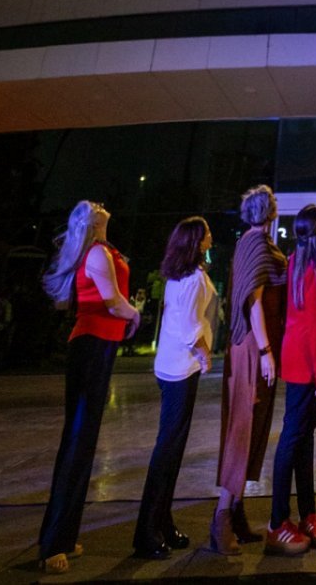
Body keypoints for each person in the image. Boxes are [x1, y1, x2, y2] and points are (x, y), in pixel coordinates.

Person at [37, 201, 140, 574]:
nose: (101, 205)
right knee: (77, 443)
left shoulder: (104, 250)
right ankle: (51, 544)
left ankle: (63, 536)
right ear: (89, 221)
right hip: (92, 345)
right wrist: (136, 313)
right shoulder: (97, 252)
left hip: (100, 345)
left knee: (84, 443)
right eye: (93, 206)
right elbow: (112, 300)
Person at [132, 217, 216, 559]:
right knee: (167, 451)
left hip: (167, 367)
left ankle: (162, 522)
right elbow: (189, 326)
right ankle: (146, 531)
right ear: (197, 242)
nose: (212, 236)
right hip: (182, 370)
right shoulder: (194, 279)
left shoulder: (175, 277)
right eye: (207, 233)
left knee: (171, 449)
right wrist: (205, 353)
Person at [210, 185, 287, 554]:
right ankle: (222, 516)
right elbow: (253, 301)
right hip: (251, 347)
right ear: (270, 214)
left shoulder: (248, 244)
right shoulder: (256, 246)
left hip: (248, 345)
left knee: (252, 423)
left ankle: (236, 511)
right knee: (243, 425)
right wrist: (266, 350)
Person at [266, 205, 316, 556]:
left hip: (297, 364)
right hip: (307, 366)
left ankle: (306, 514)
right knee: (295, 439)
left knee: (302, 439)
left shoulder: (296, 263)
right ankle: (278, 520)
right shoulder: (311, 268)